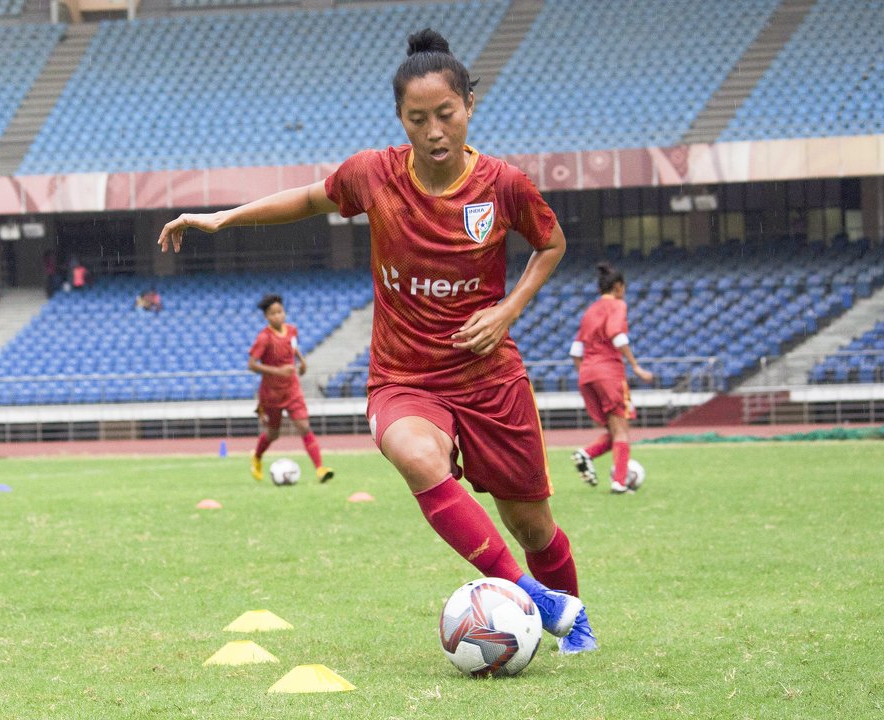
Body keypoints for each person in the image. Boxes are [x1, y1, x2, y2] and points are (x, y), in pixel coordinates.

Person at [159, 29, 596, 653]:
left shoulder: (503, 186)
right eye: (418, 119)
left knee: (531, 524)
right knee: (418, 457)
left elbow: (550, 244)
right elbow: (309, 199)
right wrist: (223, 217)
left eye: (446, 114)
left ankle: (576, 625)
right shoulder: (375, 176)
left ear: (470, 105)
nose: (435, 131)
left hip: (490, 379)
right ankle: (538, 600)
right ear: (401, 120)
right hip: (404, 379)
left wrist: (507, 310)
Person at [569, 263, 653, 494]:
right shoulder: (617, 305)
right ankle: (619, 481)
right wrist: (636, 367)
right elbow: (616, 335)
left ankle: (587, 454)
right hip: (609, 373)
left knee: (614, 431)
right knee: (622, 430)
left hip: (587, 375)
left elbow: (575, 350)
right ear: (618, 286)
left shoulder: (590, 311)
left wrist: (588, 372)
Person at [248, 293, 334, 483]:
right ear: (267, 317)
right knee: (273, 433)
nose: (277, 316)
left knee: (303, 426)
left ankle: (320, 468)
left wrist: (302, 363)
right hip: (271, 393)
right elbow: (252, 364)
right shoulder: (264, 338)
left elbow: (293, 348)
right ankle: (257, 457)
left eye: (280, 311)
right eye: (273, 313)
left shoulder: (292, 330)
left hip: (292, 389)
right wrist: (278, 371)